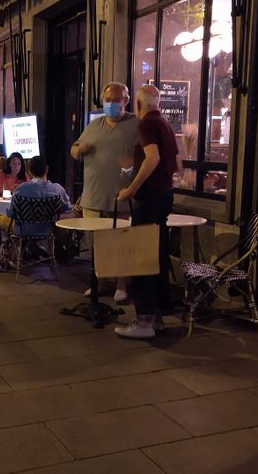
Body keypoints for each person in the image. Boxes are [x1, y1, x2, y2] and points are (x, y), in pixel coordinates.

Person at [114, 85, 179, 339]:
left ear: (139, 105)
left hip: (149, 199)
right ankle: (157, 317)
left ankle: (144, 322)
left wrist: (131, 189)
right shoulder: (165, 125)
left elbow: (152, 158)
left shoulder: (146, 125)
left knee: (142, 257)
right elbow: (176, 162)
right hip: (163, 197)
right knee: (157, 257)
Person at [71, 81, 138, 303]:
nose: (110, 104)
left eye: (115, 100)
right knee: (97, 244)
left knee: (122, 244)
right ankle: (100, 282)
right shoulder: (94, 125)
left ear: (126, 100)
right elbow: (75, 149)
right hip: (94, 196)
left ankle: (121, 285)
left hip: (122, 197)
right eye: (107, 100)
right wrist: (78, 150)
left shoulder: (135, 125)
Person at [0, 155, 74, 272]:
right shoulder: (57, 189)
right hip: (47, 229)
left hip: (22, 229)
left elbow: (11, 214)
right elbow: (67, 209)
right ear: (47, 169)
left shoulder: (21, 189)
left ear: (29, 171)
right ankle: (16, 255)